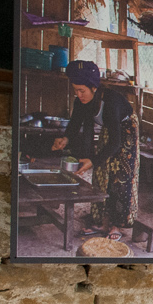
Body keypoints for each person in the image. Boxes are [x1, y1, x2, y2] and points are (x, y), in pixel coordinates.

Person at [51, 60, 138, 239]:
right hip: (110, 130)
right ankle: (102, 222)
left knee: (120, 176)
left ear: (94, 88)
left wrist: (92, 160)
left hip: (126, 131)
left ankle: (116, 225)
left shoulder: (111, 102)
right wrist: (65, 139)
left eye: (82, 90)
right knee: (101, 173)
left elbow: (115, 142)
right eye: (75, 90)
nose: (78, 94)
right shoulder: (81, 101)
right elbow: (75, 124)